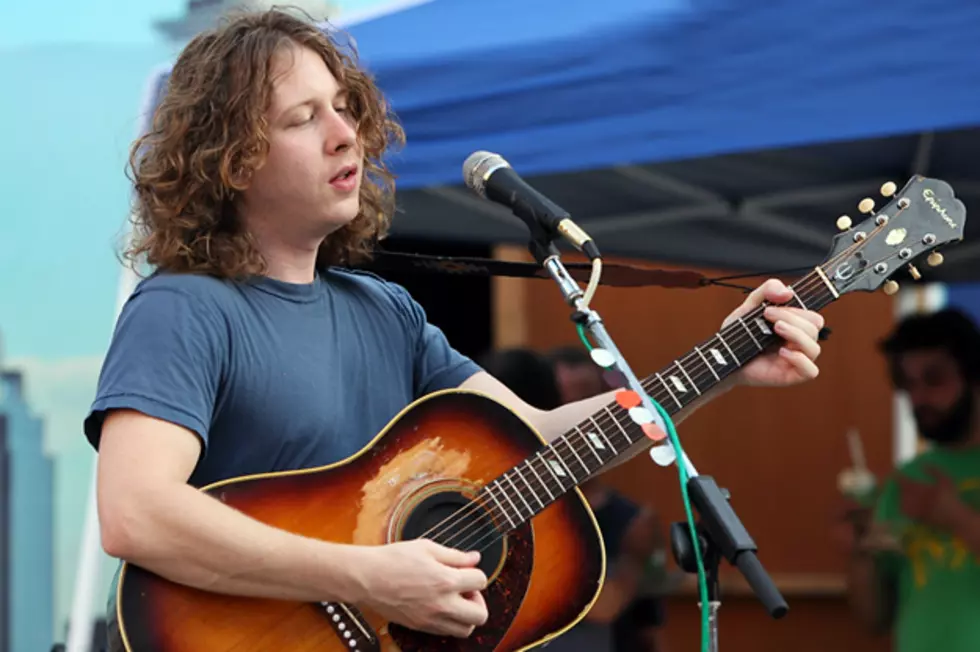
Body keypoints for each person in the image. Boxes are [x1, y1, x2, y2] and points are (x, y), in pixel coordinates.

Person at [85, 8, 824, 647]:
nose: (346, 134)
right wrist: (368, 576)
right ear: (231, 162)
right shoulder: (184, 307)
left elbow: (540, 436)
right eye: (303, 118)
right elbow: (135, 513)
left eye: (345, 107)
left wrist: (725, 360)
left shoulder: (386, 312)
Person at [843, 308, 980, 652]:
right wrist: (861, 548)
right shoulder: (908, 479)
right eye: (907, 384)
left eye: (934, 379)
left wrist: (957, 518)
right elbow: (873, 618)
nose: (917, 399)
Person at [548, 346, 670, 652]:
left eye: (587, 401)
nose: (578, 420)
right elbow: (602, 606)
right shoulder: (520, 510)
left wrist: (640, 560)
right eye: (566, 403)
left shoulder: (632, 521)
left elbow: (647, 627)